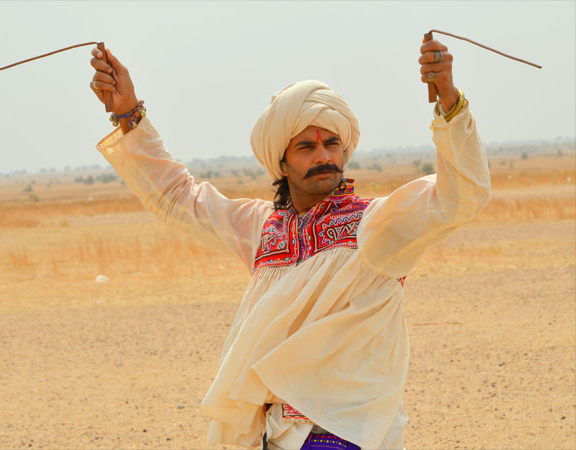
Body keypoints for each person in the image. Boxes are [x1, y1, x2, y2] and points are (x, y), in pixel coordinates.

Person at [89, 36, 490, 450]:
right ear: (281, 160)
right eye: (306, 146)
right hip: (277, 435)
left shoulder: (376, 226)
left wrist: (448, 101)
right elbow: (179, 197)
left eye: (332, 143)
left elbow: (459, 198)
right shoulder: (263, 228)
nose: (323, 155)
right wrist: (128, 114)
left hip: (350, 436)